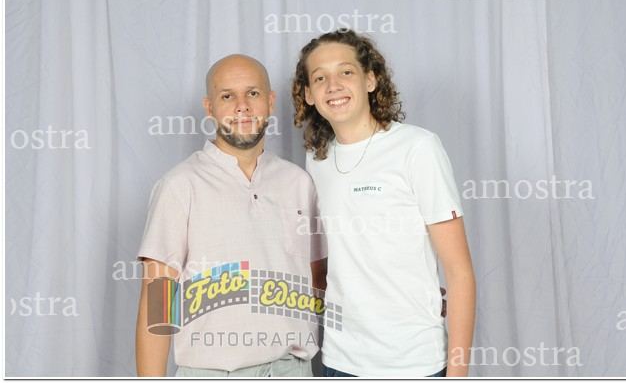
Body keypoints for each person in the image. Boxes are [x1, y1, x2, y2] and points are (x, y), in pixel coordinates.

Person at [291, 29, 476, 377]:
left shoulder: (417, 148)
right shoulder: (317, 160)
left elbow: (460, 272)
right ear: (309, 95)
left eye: (346, 72)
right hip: (340, 361)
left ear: (371, 80)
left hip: (413, 363)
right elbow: (335, 258)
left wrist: (458, 374)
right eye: (320, 78)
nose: (333, 85)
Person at [135, 54, 327, 377]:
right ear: (209, 107)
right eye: (227, 96)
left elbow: (319, 282)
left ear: (270, 101)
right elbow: (157, 306)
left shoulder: (299, 183)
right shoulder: (180, 186)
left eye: (252, 93)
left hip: (293, 370)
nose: (242, 106)